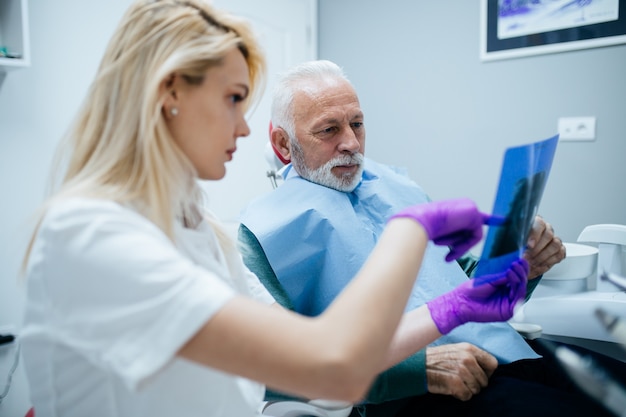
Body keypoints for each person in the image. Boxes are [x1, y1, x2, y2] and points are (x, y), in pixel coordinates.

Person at [17, 2, 530, 417]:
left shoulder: (200, 226)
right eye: (234, 99)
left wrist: (459, 305)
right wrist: (413, 228)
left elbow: (330, 363)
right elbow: (329, 363)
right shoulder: (93, 236)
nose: (244, 128)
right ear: (170, 93)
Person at [238, 60, 617, 417]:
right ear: (284, 144)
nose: (352, 143)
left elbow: (461, 277)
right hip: (411, 398)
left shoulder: (395, 187)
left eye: (357, 123)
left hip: (499, 352)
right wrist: (415, 368)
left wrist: (524, 266)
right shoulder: (265, 234)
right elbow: (277, 367)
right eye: (329, 130)